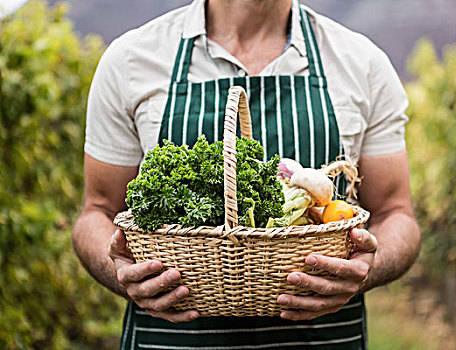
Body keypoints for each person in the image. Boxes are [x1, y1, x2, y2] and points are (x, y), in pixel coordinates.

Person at [73, 0, 420, 348]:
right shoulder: (130, 61)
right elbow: (97, 211)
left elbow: (395, 212)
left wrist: (365, 272)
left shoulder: (363, 64)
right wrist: (121, 273)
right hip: (168, 339)